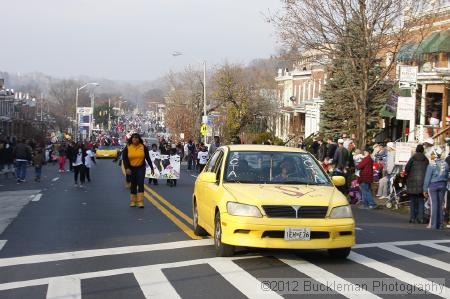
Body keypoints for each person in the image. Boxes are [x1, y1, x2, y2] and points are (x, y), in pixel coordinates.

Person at [122, 133, 154, 208]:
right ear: (131, 139)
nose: (135, 139)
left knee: (140, 183)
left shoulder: (143, 147)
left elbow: (148, 158)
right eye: (133, 138)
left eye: (136, 138)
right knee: (133, 184)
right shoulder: (128, 147)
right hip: (131, 168)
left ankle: (140, 202)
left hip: (141, 168)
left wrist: (152, 168)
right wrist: (127, 168)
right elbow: (125, 159)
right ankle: (133, 201)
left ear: (139, 139)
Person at [423, 147, 449, 229]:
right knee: (440, 205)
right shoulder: (445, 164)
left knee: (434, 205)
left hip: (433, 185)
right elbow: (447, 175)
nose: (431, 155)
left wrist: (424, 189)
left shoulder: (431, 164)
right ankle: (440, 225)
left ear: (435, 155)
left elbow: (427, 178)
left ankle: (433, 224)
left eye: (432, 154)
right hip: (443, 185)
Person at [405, 144, 429, 224]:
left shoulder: (413, 158)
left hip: (412, 181)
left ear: (416, 150)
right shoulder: (426, 159)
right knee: (421, 201)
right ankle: (421, 218)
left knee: (412, 201)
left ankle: (412, 218)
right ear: (423, 150)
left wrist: (409, 175)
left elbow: (406, 168)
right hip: (422, 182)